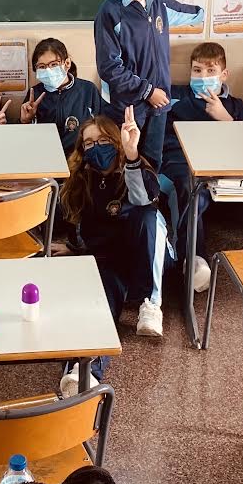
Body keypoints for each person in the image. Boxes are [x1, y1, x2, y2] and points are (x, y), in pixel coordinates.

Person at [59, 110, 170, 385]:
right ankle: (83, 372)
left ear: (116, 141)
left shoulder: (136, 168)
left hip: (145, 255)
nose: (96, 147)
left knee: (148, 215)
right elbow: (78, 224)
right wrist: (73, 247)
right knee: (98, 306)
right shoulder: (81, 180)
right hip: (110, 260)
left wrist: (131, 155)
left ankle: (150, 303)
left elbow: (144, 199)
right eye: (89, 143)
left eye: (103, 140)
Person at [93, 0, 205, 172]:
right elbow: (109, 68)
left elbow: (188, 13)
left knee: (152, 165)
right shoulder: (110, 12)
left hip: (158, 103)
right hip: (127, 107)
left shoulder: (158, 0)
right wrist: (147, 91)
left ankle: (150, 197)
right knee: (122, 165)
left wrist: (203, 13)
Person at [160, 42, 243, 295]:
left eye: (210, 71)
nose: (203, 77)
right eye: (197, 70)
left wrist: (225, 119)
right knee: (190, 189)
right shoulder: (177, 104)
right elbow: (166, 143)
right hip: (187, 166)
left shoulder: (237, 107)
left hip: (227, 168)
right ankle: (194, 259)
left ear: (224, 75)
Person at [17, 37, 101, 154]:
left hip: (80, 158)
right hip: (44, 156)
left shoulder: (87, 89)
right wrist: (25, 121)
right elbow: (23, 138)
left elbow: (101, 126)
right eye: (42, 66)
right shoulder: (34, 94)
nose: (48, 70)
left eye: (54, 64)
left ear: (67, 63)